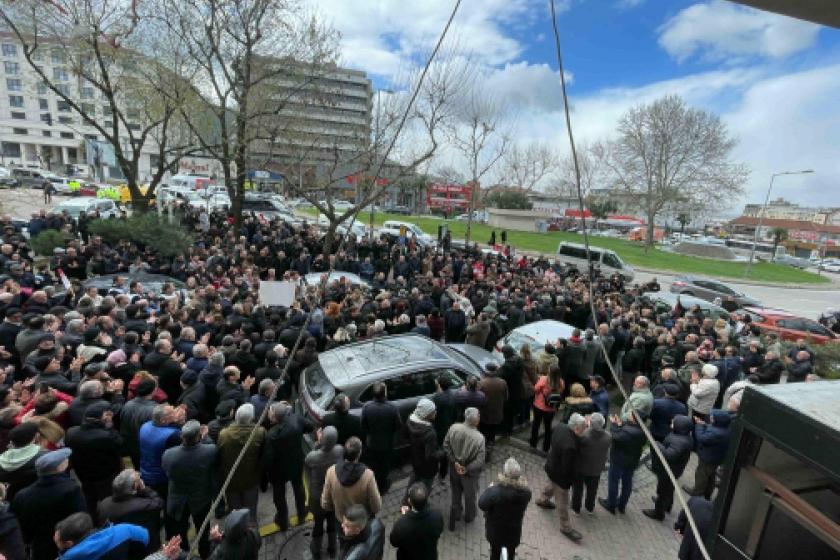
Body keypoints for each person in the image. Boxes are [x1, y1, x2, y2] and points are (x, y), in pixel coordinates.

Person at [11, 448, 87, 560]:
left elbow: (19, 526)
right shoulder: (71, 490)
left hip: (38, 547)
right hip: (66, 545)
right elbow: (81, 518)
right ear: (60, 467)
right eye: (65, 461)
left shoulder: (22, 495)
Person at [162, 420, 217, 557]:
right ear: (199, 436)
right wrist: (206, 438)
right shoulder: (210, 450)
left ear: (182, 437)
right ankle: (205, 552)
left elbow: (166, 471)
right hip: (201, 498)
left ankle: (183, 554)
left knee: (180, 531)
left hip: (177, 500)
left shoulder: (169, 454)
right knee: (203, 529)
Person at [65, 401, 124, 521]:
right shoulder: (106, 436)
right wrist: (110, 426)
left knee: (89, 498)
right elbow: (120, 444)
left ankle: (92, 520)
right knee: (108, 499)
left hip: (83, 474)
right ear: (103, 417)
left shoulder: (71, 432)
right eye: (109, 414)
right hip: (106, 475)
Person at [263, 401, 314, 530]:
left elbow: (268, 459)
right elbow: (310, 427)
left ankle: (283, 520)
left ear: (274, 418)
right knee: (299, 488)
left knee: (279, 495)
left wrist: (265, 474)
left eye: (270, 412)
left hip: (279, 470)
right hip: (296, 462)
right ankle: (302, 512)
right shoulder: (296, 419)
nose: (268, 413)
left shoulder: (272, 435)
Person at [535, 413, 586, 542]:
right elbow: (567, 468)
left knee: (550, 485)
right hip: (561, 477)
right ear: (576, 428)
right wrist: (571, 481)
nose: (585, 430)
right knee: (562, 502)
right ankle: (566, 527)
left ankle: (542, 500)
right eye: (583, 428)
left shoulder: (561, 426)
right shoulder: (570, 447)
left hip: (551, 466)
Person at [98, 469, 163, 555]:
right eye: (139, 479)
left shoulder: (103, 504)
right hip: (145, 546)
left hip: (119, 546)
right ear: (136, 486)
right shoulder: (143, 505)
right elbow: (159, 503)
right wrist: (144, 488)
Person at [218, 403, 265, 522]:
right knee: (251, 512)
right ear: (251, 418)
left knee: (234, 514)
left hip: (231, 480)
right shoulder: (259, 432)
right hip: (251, 479)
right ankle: (252, 537)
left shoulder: (224, 435)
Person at [478, 457, 531, 560]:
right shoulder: (526, 493)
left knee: (495, 553)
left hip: (495, 531)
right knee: (511, 552)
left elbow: (482, 504)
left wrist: (489, 489)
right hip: (513, 532)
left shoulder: (496, 491)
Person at [321, 436, 382, 525]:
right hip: (362, 522)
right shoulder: (368, 475)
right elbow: (376, 507)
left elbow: (325, 503)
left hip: (343, 522)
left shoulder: (331, 472)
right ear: (359, 453)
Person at [643, 415, 693, 521]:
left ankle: (658, 513)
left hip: (669, 470)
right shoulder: (683, 436)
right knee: (670, 488)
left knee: (663, 491)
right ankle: (668, 505)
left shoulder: (680, 442)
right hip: (674, 470)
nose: (671, 423)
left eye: (674, 422)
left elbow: (669, 455)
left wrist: (657, 444)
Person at [443, 407, 485, 531]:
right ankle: (469, 516)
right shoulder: (479, 438)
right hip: (469, 474)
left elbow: (446, 445)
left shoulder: (453, 428)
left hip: (454, 469)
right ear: (476, 420)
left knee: (455, 493)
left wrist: (454, 462)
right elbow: (480, 460)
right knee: (470, 496)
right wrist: (466, 468)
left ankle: (455, 514)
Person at [305, 426, 344, 559]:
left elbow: (308, 466)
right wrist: (323, 441)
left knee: (318, 523)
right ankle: (332, 547)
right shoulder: (339, 451)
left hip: (318, 496)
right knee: (332, 521)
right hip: (333, 495)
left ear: (322, 438)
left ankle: (316, 549)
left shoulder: (312, 457)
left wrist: (318, 442)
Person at [599, 411, 646, 515]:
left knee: (613, 482)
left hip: (619, 460)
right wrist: (621, 425)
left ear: (635, 419)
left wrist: (614, 424)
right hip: (632, 461)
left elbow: (616, 437)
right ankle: (622, 505)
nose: (629, 415)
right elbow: (626, 435)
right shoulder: (643, 431)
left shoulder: (627, 432)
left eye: (631, 415)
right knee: (627, 483)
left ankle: (611, 505)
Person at [52, 511, 149, 560]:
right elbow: (145, 536)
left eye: (57, 541)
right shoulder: (124, 530)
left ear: (69, 543)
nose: (53, 539)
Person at [360, 382, 401, 494]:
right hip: (387, 444)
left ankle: (374, 484)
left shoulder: (367, 407)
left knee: (374, 464)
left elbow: (363, 426)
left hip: (372, 443)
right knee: (384, 466)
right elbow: (398, 426)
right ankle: (382, 486)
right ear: (385, 393)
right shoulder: (392, 408)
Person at [389, 481, 444, 560]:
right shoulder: (437, 516)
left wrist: (406, 516)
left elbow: (394, 542)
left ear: (409, 501)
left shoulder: (401, 525)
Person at [684, 410, 732, 499]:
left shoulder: (717, 433)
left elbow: (702, 438)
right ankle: (707, 493)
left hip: (708, 458)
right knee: (710, 475)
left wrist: (698, 425)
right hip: (716, 458)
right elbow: (712, 429)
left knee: (701, 475)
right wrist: (704, 424)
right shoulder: (724, 429)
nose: (711, 417)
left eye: (712, 417)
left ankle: (697, 492)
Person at [571, 412, 610, 515]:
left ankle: (576, 508)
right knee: (592, 490)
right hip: (596, 469)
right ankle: (589, 508)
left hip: (582, 468)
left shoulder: (584, 435)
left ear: (590, 423)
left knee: (578, 490)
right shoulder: (608, 437)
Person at [405, 398, 443, 493]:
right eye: (433, 411)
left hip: (415, 459)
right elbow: (431, 456)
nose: (436, 412)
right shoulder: (430, 433)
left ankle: (406, 501)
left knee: (414, 478)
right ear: (427, 414)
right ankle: (420, 503)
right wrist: (443, 453)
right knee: (425, 488)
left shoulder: (410, 421)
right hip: (428, 469)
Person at [0, 422, 45, 501]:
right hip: (36, 497)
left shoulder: (2, 459)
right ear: (35, 437)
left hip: (14, 500)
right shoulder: (43, 457)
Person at [478, 362, 507, 456]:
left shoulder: (481, 383)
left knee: (483, 433)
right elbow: (506, 397)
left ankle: (482, 450)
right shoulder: (503, 382)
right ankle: (489, 450)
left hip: (484, 414)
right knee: (492, 434)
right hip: (497, 414)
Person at [498, 345, 523, 435]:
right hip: (516, 390)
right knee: (511, 412)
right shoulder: (518, 360)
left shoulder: (508, 365)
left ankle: (505, 431)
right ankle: (509, 429)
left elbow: (499, 375)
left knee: (506, 412)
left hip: (509, 392)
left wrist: (499, 368)